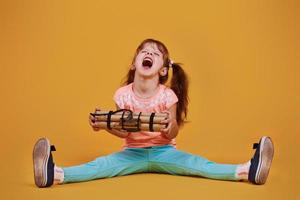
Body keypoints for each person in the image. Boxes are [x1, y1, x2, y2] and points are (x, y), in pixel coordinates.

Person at [32, 38, 274, 188]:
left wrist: (169, 127)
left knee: (198, 165)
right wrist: (105, 124)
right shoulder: (123, 94)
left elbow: (173, 131)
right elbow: (121, 130)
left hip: (164, 151)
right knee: (100, 166)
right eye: (144, 51)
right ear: (134, 63)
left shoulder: (167, 96)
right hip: (131, 153)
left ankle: (247, 170)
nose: (149, 54)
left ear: (162, 71)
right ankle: (54, 174)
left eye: (156, 53)